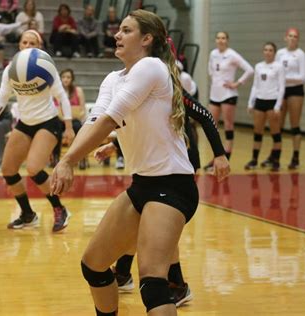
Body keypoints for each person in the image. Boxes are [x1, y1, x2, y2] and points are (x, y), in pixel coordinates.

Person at [50, 10, 230, 315]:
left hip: (173, 185)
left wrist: (68, 159)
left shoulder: (151, 67)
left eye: (126, 30)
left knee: (152, 279)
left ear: (146, 39)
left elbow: (110, 118)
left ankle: (177, 287)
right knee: (93, 265)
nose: (117, 35)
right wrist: (108, 145)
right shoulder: (113, 77)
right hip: (142, 184)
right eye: (118, 30)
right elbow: (97, 120)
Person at [0, 30, 75, 231]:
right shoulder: (10, 70)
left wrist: (68, 126)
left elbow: (62, 97)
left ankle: (60, 209)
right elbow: (2, 98)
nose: (28, 45)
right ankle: (27, 214)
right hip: (25, 123)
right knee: (8, 169)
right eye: (24, 42)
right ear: (19, 45)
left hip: (48, 123)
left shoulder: (46, 67)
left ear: (39, 46)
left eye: (33, 42)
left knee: (33, 168)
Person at [205, 31, 253, 171]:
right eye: (218, 38)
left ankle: (227, 155)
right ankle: (216, 156)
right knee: (211, 125)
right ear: (216, 40)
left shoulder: (232, 54)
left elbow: (249, 70)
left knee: (228, 125)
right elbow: (210, 70)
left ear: (227, 40)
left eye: (223, 38)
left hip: (228, 94)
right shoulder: (213, 53)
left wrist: (237, 83)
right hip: (215, 94)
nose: (221, 40)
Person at [245, 42, 285, 171]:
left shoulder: (278, 67)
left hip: (272, 102)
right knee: (257, 131)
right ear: (263, 52)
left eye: (271, 50)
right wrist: (251, 103)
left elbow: (281, 87)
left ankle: (276, 161)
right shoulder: (258, 66)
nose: (268, 52)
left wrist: (278, 106)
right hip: (260, 101)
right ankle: (254, 159)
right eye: (266, 50)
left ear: (274, 53)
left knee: (275, 132)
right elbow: (255, 86)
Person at [272, 28, 305, 170]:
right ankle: (275, 156)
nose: (292, 38)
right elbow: (275, 71)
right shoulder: (280, 53)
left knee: (294, 124)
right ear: (285, 37)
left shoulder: (300, 54)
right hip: (281, 90)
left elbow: (302, 77)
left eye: (295, 36)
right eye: (290, 36)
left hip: (295, 91)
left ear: (298, 39)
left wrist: (285, 78)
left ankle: (295, 156)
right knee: (278, 124)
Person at [52, 68, 88, 169]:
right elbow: (52, 108)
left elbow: (83, 110)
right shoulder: (55, 92)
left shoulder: (78, 91)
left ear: (72, 79)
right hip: (60, 119)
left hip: (74, 119)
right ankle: (55, 157)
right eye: (63, 77)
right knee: (55, 129)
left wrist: (77, 114)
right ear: (60, 79)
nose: (66, 79)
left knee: (78, 127)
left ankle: (81, 157)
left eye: (68, 77)